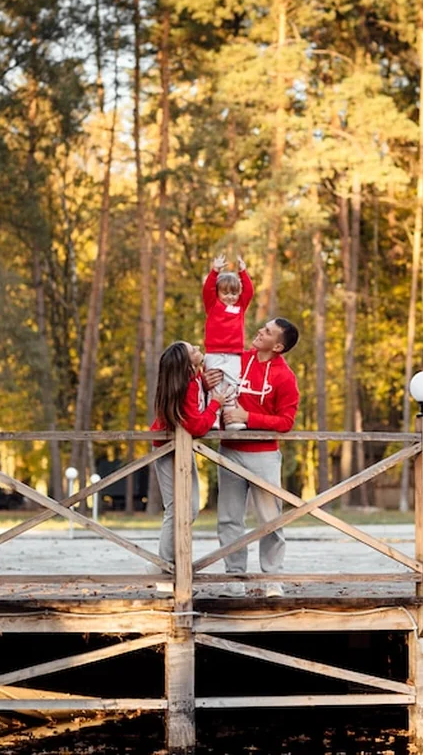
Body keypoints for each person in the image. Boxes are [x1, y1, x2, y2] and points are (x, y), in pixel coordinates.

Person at [205, 318, 300, 598]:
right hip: (230, 452)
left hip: (264, 456)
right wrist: (204, 379)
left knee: (270, 519)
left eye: (268, 332)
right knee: (229, 518)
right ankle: (234, 577)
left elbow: (286, 422)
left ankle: (272, 579)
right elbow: (210, 384)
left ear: (279, 346)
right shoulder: (237, 360)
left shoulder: (285, 377)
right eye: (263, 327)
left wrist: (248, 417)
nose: (260, 331)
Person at [150, 341, 228, 592]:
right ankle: (165, 572)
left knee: (190, 508)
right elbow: (196, 426)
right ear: (188, 363)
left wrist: (204, 386)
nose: (197, 347)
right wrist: (216, 402)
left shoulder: (192, 383)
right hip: (168, 450)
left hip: (180, 449)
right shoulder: (187, 386)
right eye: (192, 350)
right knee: (177, 508)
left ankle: (169, 566)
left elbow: (191, 408)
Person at [202, 253, 254, 430]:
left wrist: (243, 272)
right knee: (214, 384)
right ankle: (213, 417)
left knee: (232, 383)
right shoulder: (213, 306)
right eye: (225, 293)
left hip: (233, 353)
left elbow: (249, 292)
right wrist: (215, 271)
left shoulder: (240, 307)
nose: (230, 297)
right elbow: (207, 289)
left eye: (234, 293)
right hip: (214, 352)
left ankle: (230, 417)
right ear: (217, 293)